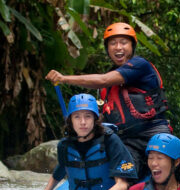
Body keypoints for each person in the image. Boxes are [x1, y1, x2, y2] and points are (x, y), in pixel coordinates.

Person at [45, 22, 171, 180]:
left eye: (124, 42)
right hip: (125, 141)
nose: (118, 47)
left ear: (132, 46)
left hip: (153, 133)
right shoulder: (107, 89)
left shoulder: (140, 66)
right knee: (119, 173)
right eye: (113, 43)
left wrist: (64, 79)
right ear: (107, 49)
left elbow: (103, 79)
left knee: (171, 170)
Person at [35, 94, 136, 190]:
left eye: (88, 116)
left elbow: (123, 186)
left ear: (95, 118)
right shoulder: (65, 146)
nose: (83, 122)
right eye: (77, 117)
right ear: (70, 120)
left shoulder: (110, 140)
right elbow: (60, 171)